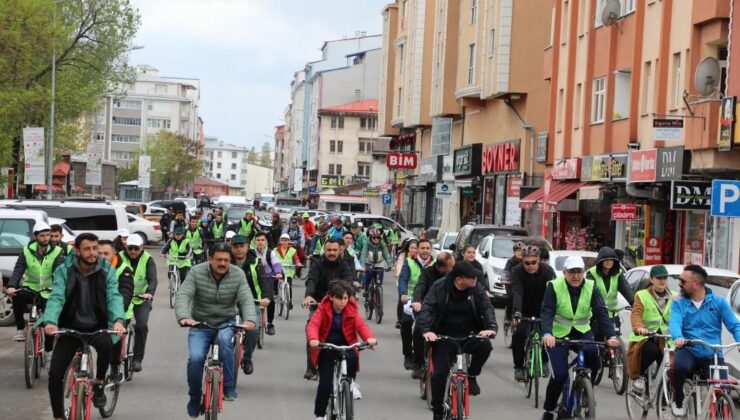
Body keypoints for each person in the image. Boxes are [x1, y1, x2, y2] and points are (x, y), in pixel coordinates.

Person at [38, 233, 126, 418]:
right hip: (71, 327)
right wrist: (51, 321)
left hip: (98, 325)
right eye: (87, 249)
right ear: (77, 250)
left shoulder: (107, 270)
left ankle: (100, 382)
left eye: (95, 248)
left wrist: (118, 319)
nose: (93, 253)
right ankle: (58, 415)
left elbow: (114, 296)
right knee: (55, 375)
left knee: (107, 346)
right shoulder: (64, 270)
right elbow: (57, 297)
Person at [176, 242, 257, 417]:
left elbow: (246, 299)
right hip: (200, 324)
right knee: (196, 358)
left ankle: (228, 385)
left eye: (226, 260)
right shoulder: (196, 272)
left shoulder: (238, 274)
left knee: (224, 341)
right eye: (218, 260)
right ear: (210, 259)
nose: (222, 264)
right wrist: (184, 316)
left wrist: (250, 319)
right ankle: (195, 396)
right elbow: (184, 295)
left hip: (226, 322)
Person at [539, 256, 619, 420]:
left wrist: (611, 335)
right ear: (564, 273)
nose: (576, 276)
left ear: (584, 272)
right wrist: (547, 333)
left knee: (593, 355)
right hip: (557, 334)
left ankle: (585, 388)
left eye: (579, 272)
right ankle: (549, 409)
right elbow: (547, 311)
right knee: (559, 375)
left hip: (582, 331)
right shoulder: (554, 286)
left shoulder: (591, 287)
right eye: (572, 272)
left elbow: (601, 313)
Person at [417, 261, 497, 420]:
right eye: (471, 277)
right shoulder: (440, 287)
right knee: (439, 375)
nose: (475, 279)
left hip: (468, 335)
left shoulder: (476, 289)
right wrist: (427, 331)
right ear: (459, 279)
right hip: (443, 337)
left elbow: (486, 306)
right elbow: (428, 308)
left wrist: (491, 327)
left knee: (485, 346)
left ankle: (472, 376)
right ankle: (438, 409)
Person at [668, 264, 740, 417]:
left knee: (723, 389)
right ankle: (678, 400)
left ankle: (720, 412)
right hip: (688, 349)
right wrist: (678, 337)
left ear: (696, 284)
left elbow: (734, 325)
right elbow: (675, 322)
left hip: (712, 353)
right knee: (678, 368)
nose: (679, 284)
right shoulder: (679, 302)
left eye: (682, 281)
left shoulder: (719, 303)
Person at [307, 281, 378, 419]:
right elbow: (313, 325)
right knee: (325, 385)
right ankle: (320, 415)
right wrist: (313, 339)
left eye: (345, 298)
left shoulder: (352, 308)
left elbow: (361, 325)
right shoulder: (323, 308)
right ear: (332, 297)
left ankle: (350, 382)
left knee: (352, 358)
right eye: (339, 298)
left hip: (346, 345)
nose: (343, 302)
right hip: (326, 346)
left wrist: (370, 338)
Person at [302, 238, 355, 380]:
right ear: (324, 250)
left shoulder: (344, 266)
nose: (331, 253)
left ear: (340, 250)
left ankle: (349, 369)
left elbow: (349, 282)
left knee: (350, 330)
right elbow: (311, 280)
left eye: (334, 250)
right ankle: (311, 367)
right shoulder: (317, 264)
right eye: (329, 250)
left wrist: (350, 297)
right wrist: (308, 296)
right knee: (311, 330)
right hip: (319, 304)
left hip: (340, 305)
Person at [7, 222, 65, 343]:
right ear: (35, 236)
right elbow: (19, 269)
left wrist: (57, 288)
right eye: (42, 235)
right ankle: (20, 330)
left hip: (49, 291)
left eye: (48, 235)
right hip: (31, 288)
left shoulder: (57, 251)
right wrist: (12, 286)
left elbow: (58, 272)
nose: (46, 238)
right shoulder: (26, 251)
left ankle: (48, 352)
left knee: (49, 320)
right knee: (17, 296)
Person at [627, 265, 676, 394]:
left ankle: (665, 398)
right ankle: (639, 376)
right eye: (659, 278)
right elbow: (636, 314)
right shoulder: (642, 295)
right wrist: (639, 327)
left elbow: (684, 316)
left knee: (672, 366)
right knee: (652, 351)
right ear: (651, 279)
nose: (662, 281)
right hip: (646, 337)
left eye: (665, 278)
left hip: (667, 339)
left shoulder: (675, 297)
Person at [510, 245, 556, 381]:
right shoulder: (517, 271)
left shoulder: (548, 271)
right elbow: (517, 292)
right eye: (527, 263)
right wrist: (517, 312)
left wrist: (552, 312)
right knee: (518, 335)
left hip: (544, 308)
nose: (530, 266)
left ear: (539, 260)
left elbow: (552, 293)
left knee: (548, 335)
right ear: (522, 261)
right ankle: (518, 367)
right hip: (524, 308)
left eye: (533, 262)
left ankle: (545, 361)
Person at [230, 235, 271, 375]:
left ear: (247, 246)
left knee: (253, 329)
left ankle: (247, 359)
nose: (239, 249)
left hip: (251, 301)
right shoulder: (225, 260)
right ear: (231, 247)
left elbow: (264, 280)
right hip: (229, 302)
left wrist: (266, 297)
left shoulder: (256, 262)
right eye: (236, 246)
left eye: (242, 245)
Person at [116, 233, 157, 372]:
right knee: (117, 326)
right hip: (122, 296)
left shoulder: (148, 259)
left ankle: (137, 358)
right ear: (126, 247)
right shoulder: (118, 257)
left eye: (136, 248)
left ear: (142, 248)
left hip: (141, 298)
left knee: (141, 325)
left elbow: (153, 279)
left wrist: (149, 293)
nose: (133, 251)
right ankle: (114, 359)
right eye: (130, 248)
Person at [409, 252, 454, 377]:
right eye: (449, 268)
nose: (452, 270)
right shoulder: (427, 273)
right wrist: (417, 301)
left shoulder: (455, 274)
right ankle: (418, 364)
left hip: (447, 309)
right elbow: (420, 286)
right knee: (418, 330)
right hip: (428, 308)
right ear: (441, 268)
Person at [99, 239, 134, 383]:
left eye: (106, 253)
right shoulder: (90, 267)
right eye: (99, 253)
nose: (102, 256)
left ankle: (114, 367)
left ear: (114, 253)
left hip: (119, 312)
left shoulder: (123, 269)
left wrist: (117, 314)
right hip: (97, 312)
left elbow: (125, 295)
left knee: (115, 336)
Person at [397, 239, 435, 370]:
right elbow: (403, 279)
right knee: (406, 323)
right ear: (417, 249)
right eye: (422, 248)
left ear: (431, 250)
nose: (425, 251)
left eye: (427, 248)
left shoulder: (435, 263)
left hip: (429, 300)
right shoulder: (409, 262)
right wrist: (403, 293)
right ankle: (408, 355)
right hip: (411, 299)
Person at [586, 246, 635, 341]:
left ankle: (616, 355)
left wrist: (634, 303)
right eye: (606, 260)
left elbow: (626, 290)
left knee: (615, 340)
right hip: (596, 315)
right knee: (598, 342)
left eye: (611, 259)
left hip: (613, 315)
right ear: (600, 261)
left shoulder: (618, 274)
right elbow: (592, 292)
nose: (608, 262)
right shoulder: (591, 274)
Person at [253, 232, 283, 336]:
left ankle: (269, 323)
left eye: (262, 240)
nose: (260, 242)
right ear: (255, 241)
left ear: (266, 241)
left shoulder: (271, 253)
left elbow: (276, 263)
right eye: (258, 240)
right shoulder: (252, 253)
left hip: (269, 279)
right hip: (255, 280)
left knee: (270, 300)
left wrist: (278, 273)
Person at [359, 229, 393, 296]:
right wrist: (362, 266)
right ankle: (366, 289)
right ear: (370, 238)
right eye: (373, 237)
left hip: (379, 263)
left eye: (378, 237)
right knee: (369, 274)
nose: (376, 239)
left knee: (379, 281)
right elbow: (363, 254)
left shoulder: (382, 243)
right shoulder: (367, 243)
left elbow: (386, 254)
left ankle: (378, 293)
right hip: (369, 262)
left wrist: (391, 265)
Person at [394, 239, 418, 329]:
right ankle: (400, 320)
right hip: (402, 283)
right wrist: (399, 273)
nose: (413, 250)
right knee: (402, 301)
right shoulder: (403, 255)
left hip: (416, 286)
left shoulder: (420, 258)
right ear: (408, 248)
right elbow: (399, 265)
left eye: (415, 248)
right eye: (411, 248)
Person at [275, 233, 303, 307]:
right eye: (283, 240)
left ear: (289, 241)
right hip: (279, 269)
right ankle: (276, 294)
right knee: (275, 281)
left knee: (289, 285)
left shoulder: (292, 250)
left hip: (289, 270)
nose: (284, 242)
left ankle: (289, 301)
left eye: (286, 240)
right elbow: (273, 259)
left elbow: (296, 258)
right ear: (280, 241)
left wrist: (298, 263)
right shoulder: (275, 250)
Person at [502, 242, 524, 327]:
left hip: (522, 284)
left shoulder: (525, 261)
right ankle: (508, 318)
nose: (519, 253)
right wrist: (505, 279)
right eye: (517, 251)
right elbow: (506, 271)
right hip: (511, 284)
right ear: (514, 252)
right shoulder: (510, 261)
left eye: (521, 251)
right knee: (510, 297)